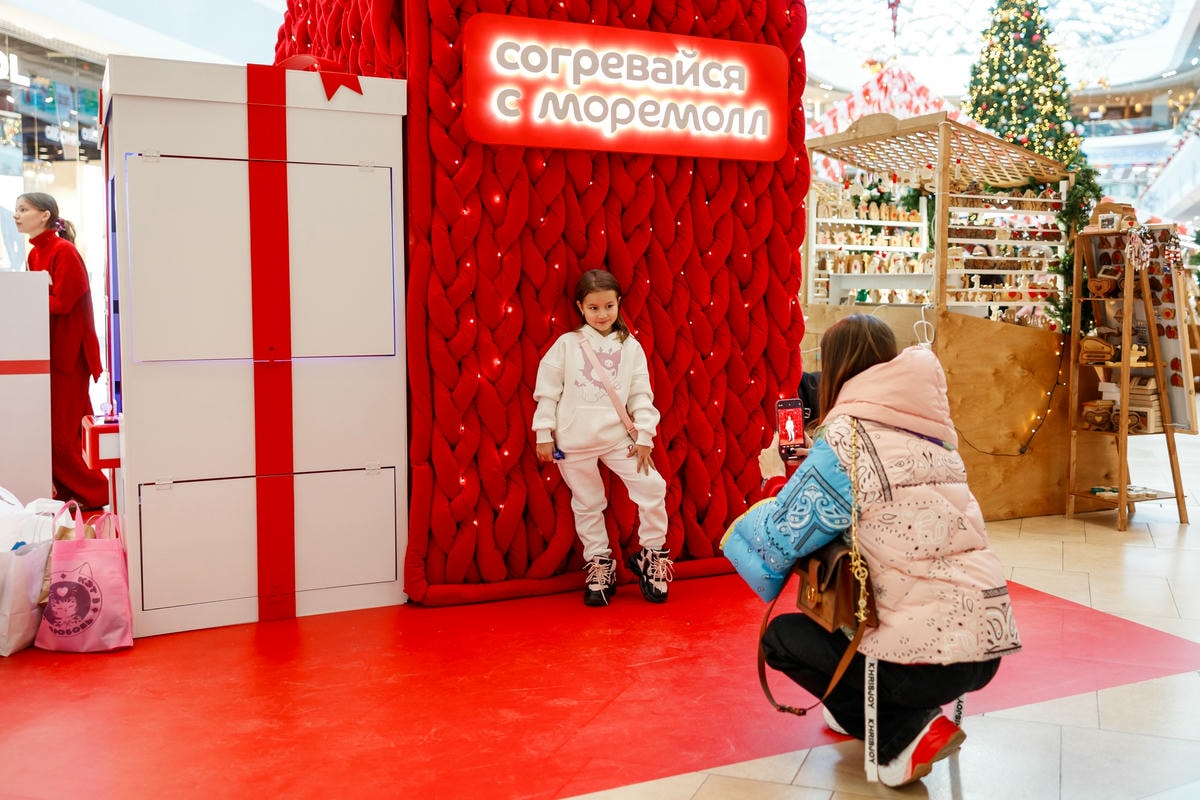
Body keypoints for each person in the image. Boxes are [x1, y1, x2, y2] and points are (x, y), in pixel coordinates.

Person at [724, 314, 1020, 788]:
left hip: (921, 665)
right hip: (985, 646)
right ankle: (864, 712)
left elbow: (780, 538)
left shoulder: (845, 438)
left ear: (836, 368)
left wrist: (773, 484)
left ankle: (903, 734)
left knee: (780, 639)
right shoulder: (935, 433)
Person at [532, 269, 671, 606]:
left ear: (619, 303)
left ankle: (652, 554)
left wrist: (645, 436)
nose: (602, 314)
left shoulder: (631, 347)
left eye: (609, 306)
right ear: (580, 307)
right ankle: (599, 564)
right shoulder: (567, 345)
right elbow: (547, 392)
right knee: (588, 502)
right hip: (572, 443)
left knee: (653, 487)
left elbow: (640, 394)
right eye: (593, 308)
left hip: (617, 438)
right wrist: (543, 433)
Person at [14, 192, 109, 510]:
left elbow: (63, 302)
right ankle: (72, 492)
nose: (16, 215)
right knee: (60, 433)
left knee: (61, 436)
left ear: (44, 215)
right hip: (50, 352)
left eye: (23, 209)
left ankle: (94, 493)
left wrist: (27, 297)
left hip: (69, 355)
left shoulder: (64, 251)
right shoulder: (35, 254)